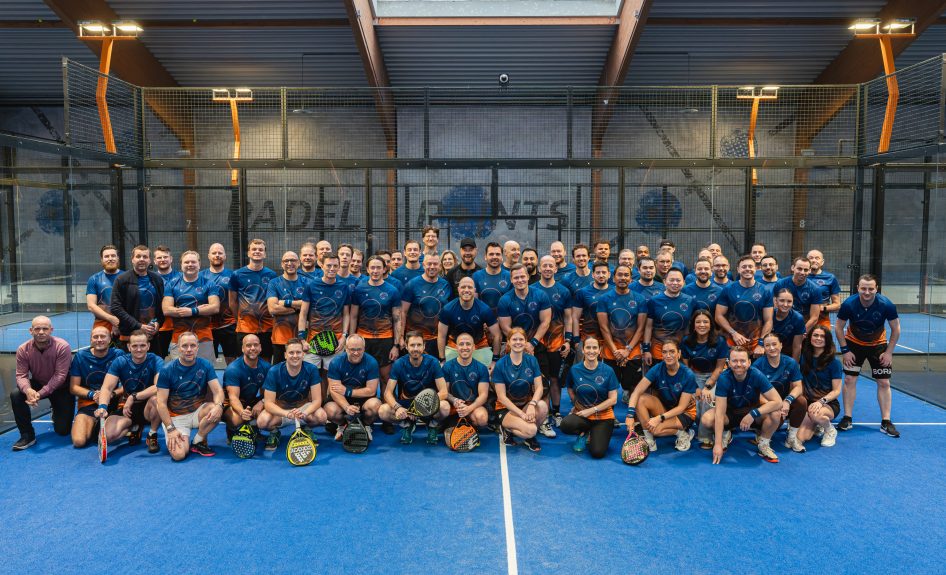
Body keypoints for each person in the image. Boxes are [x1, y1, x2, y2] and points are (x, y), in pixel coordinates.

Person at [834, 274, 901, 437]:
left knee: (884, 382)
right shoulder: (849, 304)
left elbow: (896, 329)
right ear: (858, 288)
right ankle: (847, 417)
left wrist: (889, 352)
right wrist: (845, 350)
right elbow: (838, 327)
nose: (867, 292)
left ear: (876, 289)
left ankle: (886, 421)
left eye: (871, 289)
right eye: (863, 288)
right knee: (849, 379)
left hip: (878, 345)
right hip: (853, 344)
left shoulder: (887, 305)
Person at [706, 347, 783, 464]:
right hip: (730, 414)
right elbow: (720, 413)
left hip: (751, 413)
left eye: (742, 361)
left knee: (776, 413)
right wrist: (717, 445)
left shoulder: (757, 375)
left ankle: (763, 444)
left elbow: (778, 402)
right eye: (734, 361)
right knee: (707, 419)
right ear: (728, 363)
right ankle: (726, 433)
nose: (739, 364)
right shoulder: (723, 378)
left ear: (749, 362)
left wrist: (753, 413)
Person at [155, 331, 225, 459]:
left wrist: (219, 406)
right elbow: (161, 404)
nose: (189, 350)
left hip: (197, 412)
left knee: (215, 409)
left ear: (197, 347)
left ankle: (197, 441)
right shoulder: (167, 370)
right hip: (176, 418)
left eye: (192, 346)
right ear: (177, 348)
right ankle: (184, 439)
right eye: (184, 346)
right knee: (179, 455)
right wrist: (171, 429)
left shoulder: (205, 365)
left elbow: (218, 391)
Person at [350, 256, 403, 420]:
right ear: (367, 269)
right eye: (372, 267)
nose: (375, 271)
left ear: (384, 269)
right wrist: (351, 338)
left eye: (378, 267)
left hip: (385, 340)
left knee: (385, 378)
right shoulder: (359, 289)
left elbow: (397, 319)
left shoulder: (392, 290)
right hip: (363, 339)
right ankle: (363, 414)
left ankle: (386, 413)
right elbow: (353, 316)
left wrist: (396, 344)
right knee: (361, 376)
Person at [10, 316, 74, 450]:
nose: (41, 332)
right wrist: (28, 390)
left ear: (51, 330)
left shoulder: (62, 346)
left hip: (61, 387)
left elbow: (60, 376)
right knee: (16, 394)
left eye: (45, 328)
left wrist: (39, 394)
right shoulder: (23, 349)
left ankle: (55, 411)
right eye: (37, 328)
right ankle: (27, 435)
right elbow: (21, 375)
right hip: (38, 383)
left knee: (63, 431)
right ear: (31, 330)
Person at [96, 329, 164, 453]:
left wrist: (133, 397)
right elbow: (107, 388)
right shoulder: (120, 362)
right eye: (135, 346)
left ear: (148, 346)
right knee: (109, 436)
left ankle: (152, 434)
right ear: (128, 346)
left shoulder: (156, 360)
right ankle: (133, 426)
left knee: (157, 399)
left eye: (142, 345)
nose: (139, 349)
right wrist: (102, 406)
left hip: (148, 407)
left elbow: (158, 386)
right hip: (128, 409)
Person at [625, 340, 698, 453]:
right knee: (640, 399)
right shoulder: (658, 368)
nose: (668, 355)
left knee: (656, 430)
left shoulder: (688, 374)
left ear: (679, 353)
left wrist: (659, 418)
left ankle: (683, 434)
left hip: (685, 413)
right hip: (666, 408)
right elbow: (636, 392)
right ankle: (650, 441)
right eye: (665, 352)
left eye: (672, 352)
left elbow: (681, 407)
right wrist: (630, 415)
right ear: (661, 355)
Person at [378, 332, 449, 445]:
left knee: (445, 407)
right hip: (406, 404)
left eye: (419, 345)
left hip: (427, 404)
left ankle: (432, 425)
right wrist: (398, 408)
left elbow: (444, 392)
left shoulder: (433, 362)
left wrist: (419, 407)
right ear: (406, 346)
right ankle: (407, 425)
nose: (416, 348)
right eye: (412, 345)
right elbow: (387, 393)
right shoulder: (399, 364)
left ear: (424, 346)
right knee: (383, 411)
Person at [258, 338, 328, 450]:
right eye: (291, 352)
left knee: (322, 416)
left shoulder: (312, 369)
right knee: (262, 421)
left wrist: (305, 413)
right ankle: (275, 433)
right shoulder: (274, 371)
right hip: (281, 411)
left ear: (303, 354)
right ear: (285, 355)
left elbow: (317, 400)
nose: (295, 356)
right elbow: (269, 404)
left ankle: (307, 429)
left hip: (303, 409)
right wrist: (286, 413)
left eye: (298, 352)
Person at [559, 337, 619, 458]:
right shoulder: (575, 370)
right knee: (565, 425)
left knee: (597, 453)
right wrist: (575, 402)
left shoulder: (608, 371)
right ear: (583, 349)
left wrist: (592, 410)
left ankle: (595, 433)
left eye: (594, 347)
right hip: (583, 414)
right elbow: (569, 387)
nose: (591, 351)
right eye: (588, 347)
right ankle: (584, 432)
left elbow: (613, 399)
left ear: (599, 350)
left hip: (603, 416)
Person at [534, 255, 574, 436]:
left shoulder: (563, 291)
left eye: (551, 265)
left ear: (556, 269)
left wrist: (568, 340)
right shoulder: (532, 289)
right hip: (539, 344)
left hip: (558, 344)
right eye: (545, 265)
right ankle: (545, 414)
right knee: (542, 381)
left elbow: (568, 317)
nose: (548, 268)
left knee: (555, 379)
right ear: (539, 268)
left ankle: (556, 412)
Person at [680, 309, 729, 448]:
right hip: (694, 376)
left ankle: (705, 436)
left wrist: (708, 387)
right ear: (693, 325)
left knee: (706, 399)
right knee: (694, 401)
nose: (702, 325)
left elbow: (720, 368)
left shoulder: (720, 341)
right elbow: (686, 368)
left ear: (711, 324)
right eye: (698, 322)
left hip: (716, 376)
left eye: (705, 322)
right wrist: (695, 386)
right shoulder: (686, 341)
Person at [492, 328, 546, 452]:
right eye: (514, 339)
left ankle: (528, 437)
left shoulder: (532, 360)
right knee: (532, 430)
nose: (518, 342)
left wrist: (532, 404)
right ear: (509, 342)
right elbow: (501, 397)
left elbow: (539, 388)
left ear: (526, 341)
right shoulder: (501, 364)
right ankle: (507, 429)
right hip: (506, 409)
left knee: (542, 406)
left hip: (525, 405)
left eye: (521, 339)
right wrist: (522, 414)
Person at [597, 265, 647, 398]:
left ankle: (633, 415)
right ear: (613, 278)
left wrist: (627, 350)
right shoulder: (604, 299)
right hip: (610, 351)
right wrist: (615, 351)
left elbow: (641, 328)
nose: (623, 278)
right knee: (609, 387)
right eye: (620, 275)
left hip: (633, 351)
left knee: (633, 386)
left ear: (631, 279)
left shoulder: (639, 299)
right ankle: (609, 417)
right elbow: (604, 328)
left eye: (626, 275)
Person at [162, 250, 221, 362]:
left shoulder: (209, 283)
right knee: (180, 372)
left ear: (199, 264)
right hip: (179, 336)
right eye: (186, 262)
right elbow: (166, 309)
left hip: (204, 336)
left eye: (193, 262)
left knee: (204, 372)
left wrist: (193, 311)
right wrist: (199, 310)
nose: (190, 265)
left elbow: (215, 307)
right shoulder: (172, 284)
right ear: (181, 265)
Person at [69, 326, 122, 448]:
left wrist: (110, 394)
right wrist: (93, 395)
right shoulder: (81, 357)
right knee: (79, 441)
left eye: (103, 336)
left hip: (114, 403)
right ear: (91, 340)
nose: (99, 339)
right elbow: (74, 387)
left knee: (109, 437)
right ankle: (95, 424)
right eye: (95, 337)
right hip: (88, 403)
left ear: (109, 339)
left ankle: (128, 426)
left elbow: (127, 385)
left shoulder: (119, 355)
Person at [753, 333, 806, 454]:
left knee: (801, 401)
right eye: (767, 345)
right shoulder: (757, 365)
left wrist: (788, 400)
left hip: (783, 402)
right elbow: (757, 394)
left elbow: (798, 387)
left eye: (774, 344)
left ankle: (792, 437)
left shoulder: (790, 363)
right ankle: (760, 432)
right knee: (775, 424)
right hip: (766, 404)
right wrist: (775, 405)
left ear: (781, 345)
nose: (771, 348)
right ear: (764, 348)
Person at [299, 252, 351, 373]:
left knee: (333, 377)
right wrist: (302, 339)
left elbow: (346, 314)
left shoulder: (344, 287)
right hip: (312, 341)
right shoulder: (311, 285)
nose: (332, 269)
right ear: (321, 265)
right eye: (328, 265)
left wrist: (344, 336)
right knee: (310, 376)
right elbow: (303, 313)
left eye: (335, 266)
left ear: (339, 266)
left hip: (336, 342)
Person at [325, 334, 383, 440]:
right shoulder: (335, 362)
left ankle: (366, 425)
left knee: (375, 406)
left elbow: (371, 390)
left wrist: (347, 391)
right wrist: (346, 407)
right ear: (346, 349)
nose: (356, 353)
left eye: (359, 349)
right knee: (330, 410)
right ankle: (343, 425)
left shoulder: (371, 362)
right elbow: (334, 391)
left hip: (363, 400)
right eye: (352, 349)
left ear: (364, 348)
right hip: (342, 400)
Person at [715, 255, 773, 358]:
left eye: (750, 266)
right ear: (738, 269)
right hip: (732, 343)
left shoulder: (765, 291)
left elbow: (768, 320)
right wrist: (734, 333)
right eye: (744, 267)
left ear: (755, 268)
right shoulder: (728, 289)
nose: (747, 269)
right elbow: (718, 316)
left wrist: (761, 343)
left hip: (756, 346)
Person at [230, 239, 278, 361]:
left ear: (265, 254)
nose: (257, 251)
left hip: (267, 328)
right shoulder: (237, 274)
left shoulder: (272, 275)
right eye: (254, 249)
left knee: (266, 362)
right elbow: (232, 302)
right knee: (244, 363)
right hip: (245, 328)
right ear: (248, 253)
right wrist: (240, 319)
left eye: (260, 249)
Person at [795, 326, 843, 448]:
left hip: (827, 404)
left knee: (817, 415)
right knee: (801, 438)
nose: (818, 338)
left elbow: (837, 390)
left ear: (827, 340)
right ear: (810, 338)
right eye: (815, 335)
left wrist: (821, 402)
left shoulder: (834, 362)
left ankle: (830, 430)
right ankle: (817, 424)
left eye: (822, 336)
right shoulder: (803, 357)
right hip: (809, 403)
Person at [437, 276, 501, 367]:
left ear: (474, 290)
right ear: (458, 289)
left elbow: (497, 335)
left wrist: (495, 359)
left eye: (470, 287)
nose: (466, 290)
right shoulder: (447, 309)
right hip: (455, 346)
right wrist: (442, 359)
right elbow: (441, 336)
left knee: (490, 372)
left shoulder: (484, 309)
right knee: (447, 371)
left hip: (479, 345)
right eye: (463, 287)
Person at [110, 245, 163, 348]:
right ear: (132, 259)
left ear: (150, 260)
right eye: (138, 256)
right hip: (129, 336)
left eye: (145, 257)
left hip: (152, 335)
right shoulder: (121, 279)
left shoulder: (157, 279)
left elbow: (161, 306)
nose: (142, 259)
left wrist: (158, 322)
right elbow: (116, 307)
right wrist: (139, 326)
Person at [400, 253, 452, 357]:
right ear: (423, 265)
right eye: (429, 264)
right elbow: (402, 312)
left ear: (440, 266)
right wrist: (401, 337)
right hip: (416, 340)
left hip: (439, 340)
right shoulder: (412, 285)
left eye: (435, 264)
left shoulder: (445, 285)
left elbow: (449, 311)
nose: (432, 267)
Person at [222, 334, 271, 441]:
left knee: (271, 405)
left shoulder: (266, 367)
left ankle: (253, 428)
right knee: (237, 419)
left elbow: (267, 393)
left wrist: (262, 402)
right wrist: (241, 412)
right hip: (229, 403)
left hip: (250, 400)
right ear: (243, 348)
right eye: (248, 345)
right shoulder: (233, 369)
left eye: (255, 345)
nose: (252, 348)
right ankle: (231, 429)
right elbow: (233, 397)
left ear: (260, 347)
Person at [642, 268, 693, 365]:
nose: (675, 283)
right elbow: (648, 327)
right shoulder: (654, 301)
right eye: (671, 280)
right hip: (658, 349)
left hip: (681, 348)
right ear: (665, 282)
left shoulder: (690, 301)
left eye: (678, 280)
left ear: (683, 282)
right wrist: (646, 350)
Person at [497, 264, 552, 355]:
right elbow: (505, 328)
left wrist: (532, 344)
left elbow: (545, 322)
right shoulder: (504, 300)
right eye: (516, 278)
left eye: (522, 276)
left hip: (537, 342)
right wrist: (521, 344)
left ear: (528, 277)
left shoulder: (541, 295)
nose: (520, 280)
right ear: (511, 279)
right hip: (515, 345)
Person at [441, 333, 491, 430]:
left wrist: (469, 408)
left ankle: (468, 426)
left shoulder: (481, 368)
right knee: (442, 407)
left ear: (473, 347)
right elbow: (444, 392)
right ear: (456, 347)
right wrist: (454, 400)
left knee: (482, 418)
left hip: (472, 405)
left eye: (468, 344)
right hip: (453, 405)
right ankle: (445, 423)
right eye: (461, 344)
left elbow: (483, 395)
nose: (465, 347)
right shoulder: (447, 366)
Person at [201, 242, 238, 364]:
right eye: (214, 253)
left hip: (229, 325)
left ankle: (230, 383)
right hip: (206, 326)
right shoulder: (201, 276)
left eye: (220, 253)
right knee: (207, 363)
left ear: (225, 256)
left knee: (232, 361)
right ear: (208, 256)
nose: (217, 255)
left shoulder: (233, 275)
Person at [772, 257, 821, 332]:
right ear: (793, 268)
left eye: (806, 270)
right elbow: (775, 309)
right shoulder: (780, 284)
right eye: (799, 269)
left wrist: (802, 332)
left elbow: (814, 318)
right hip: (781, 325)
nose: (802, 272)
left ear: (810, 271)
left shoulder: (815, 289)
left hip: (803, 325)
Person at [570, 261, 612, 345]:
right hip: (588, 337)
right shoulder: (583, 292)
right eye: (598, 272)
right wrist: (576, 339)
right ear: (593, 275)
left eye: (604, 272)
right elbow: (575, 317)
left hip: (611, 338)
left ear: (609, 274)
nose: (601, 275)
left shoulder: (615, 291)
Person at [86, 244, 122, 339]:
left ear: (118, 258)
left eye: (113, 256)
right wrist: (111, 319)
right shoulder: (94, 279)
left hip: (124, 325)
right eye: (106, 256)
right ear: (102, 260)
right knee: (99, 353)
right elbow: (91, 306)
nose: (110, 259)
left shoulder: (127, 277)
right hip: (101, 326)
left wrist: (118, 322)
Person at [153, 245, 180, 359]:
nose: (162, 260)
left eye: (165, 257)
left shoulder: (181, 277)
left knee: (180, 359)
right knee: (158, 360)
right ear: (154, 261)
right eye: (159, 258)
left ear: (171, 259)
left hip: (178, 326)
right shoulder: (150, 278)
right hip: (158, 326)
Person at [472, 242, 512, 316]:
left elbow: (512, 303)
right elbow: (474, 303)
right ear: (485, 257)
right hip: (482, 321)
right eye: (491, 254)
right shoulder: (476, 276)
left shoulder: (509, 276)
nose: (494, 257)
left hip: (504, 320)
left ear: (502, 257)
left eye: (497, 254)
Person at [807, 249, 842, 330]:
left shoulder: (830, 278)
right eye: (811, 258)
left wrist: (822, 308)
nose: (814, 260)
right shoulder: (801, 276)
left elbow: (837, 304)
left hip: (822, 319)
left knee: (823, 341)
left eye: (817, 258)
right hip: (803, 319)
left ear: (822, 262)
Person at [771, 288, 806, 360]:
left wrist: (794, 366)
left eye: (789, 301)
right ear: (775, 301)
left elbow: (797, 347)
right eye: (782, 300)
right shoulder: (768, 314)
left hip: (788, 354)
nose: (785, 304)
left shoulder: (798, 318)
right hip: (769, 353)